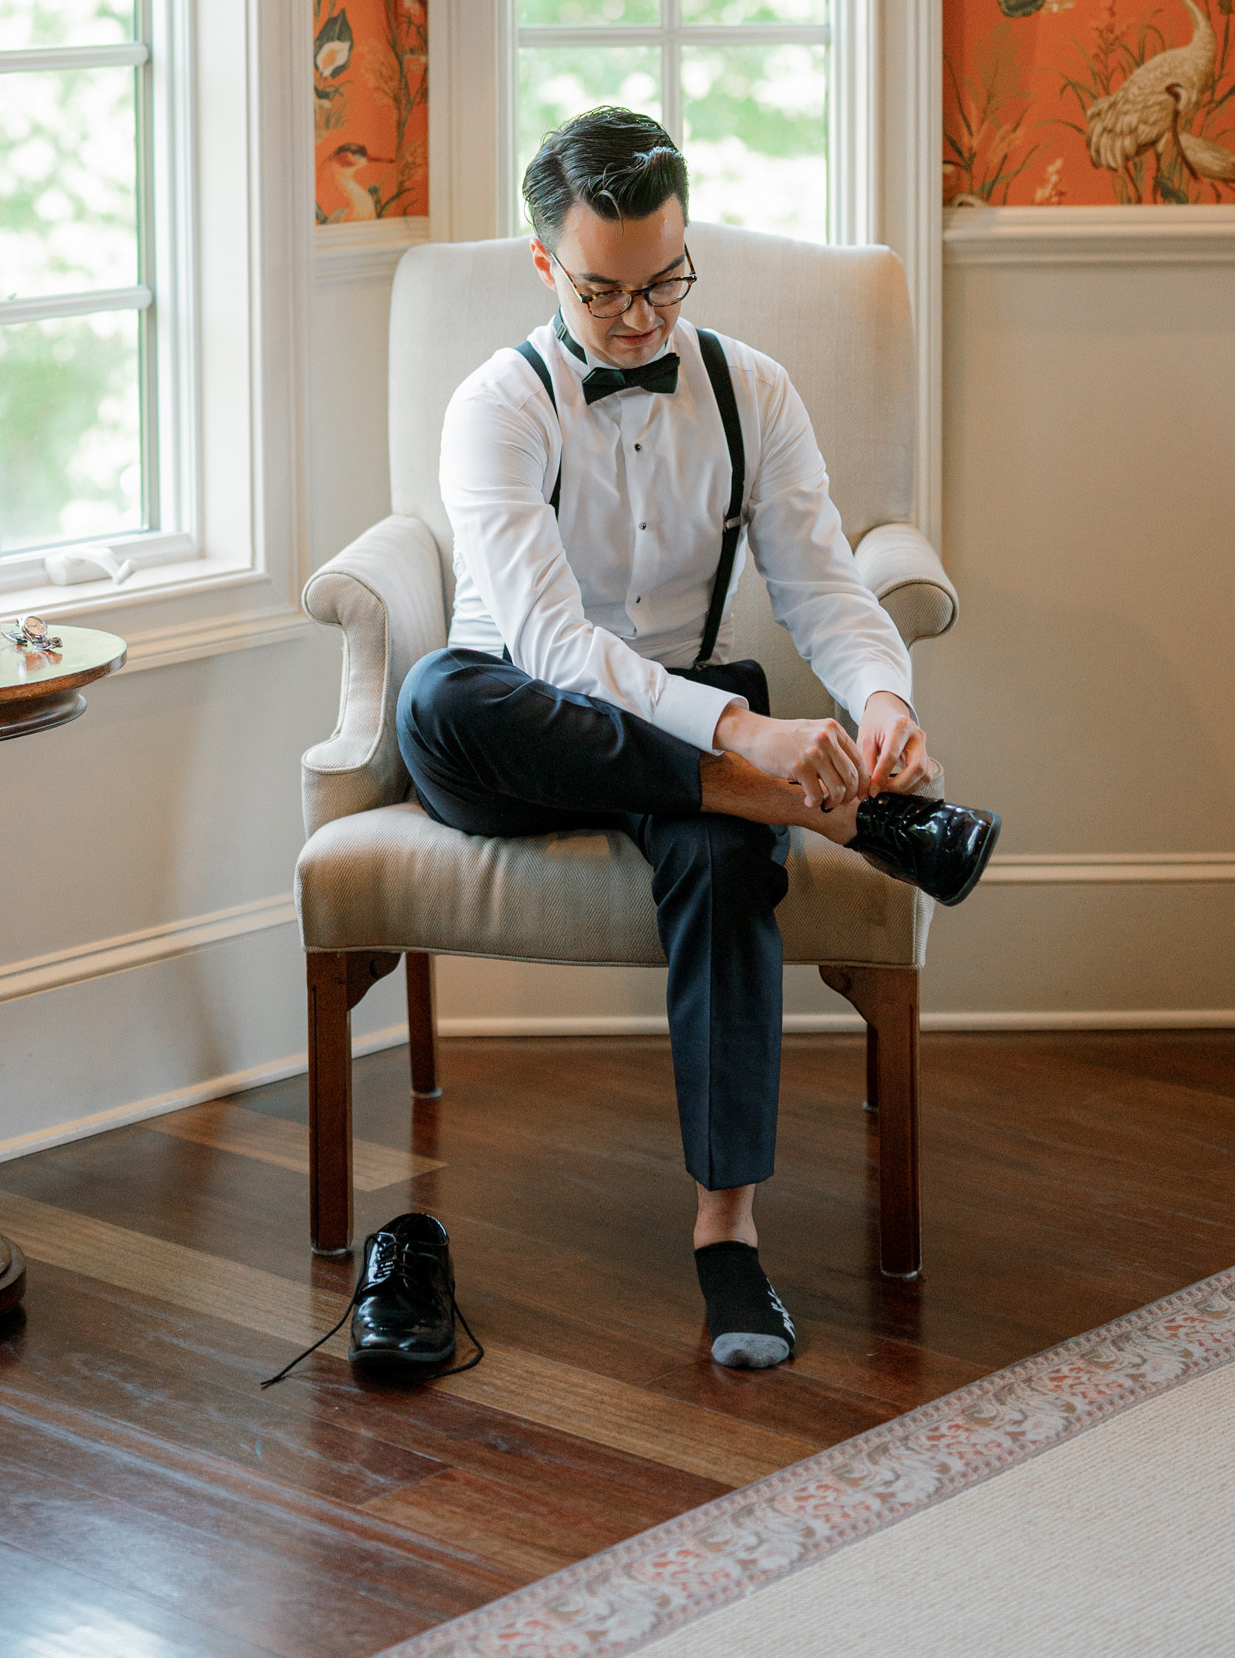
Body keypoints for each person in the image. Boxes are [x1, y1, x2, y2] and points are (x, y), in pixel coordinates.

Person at [390, 106, 1000, 1375]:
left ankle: (729, 1232)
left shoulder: (751, 388)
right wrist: (744, 739)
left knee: (720, 859)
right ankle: (837, 815)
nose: (639, 321)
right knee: (437, 699)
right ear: (544, 265)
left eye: (664, 283)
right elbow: (551, 645)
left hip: (689, 717)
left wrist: (881, 698)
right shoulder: (494, 406)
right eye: (604, 292)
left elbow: (822, 584)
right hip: (522, 722)